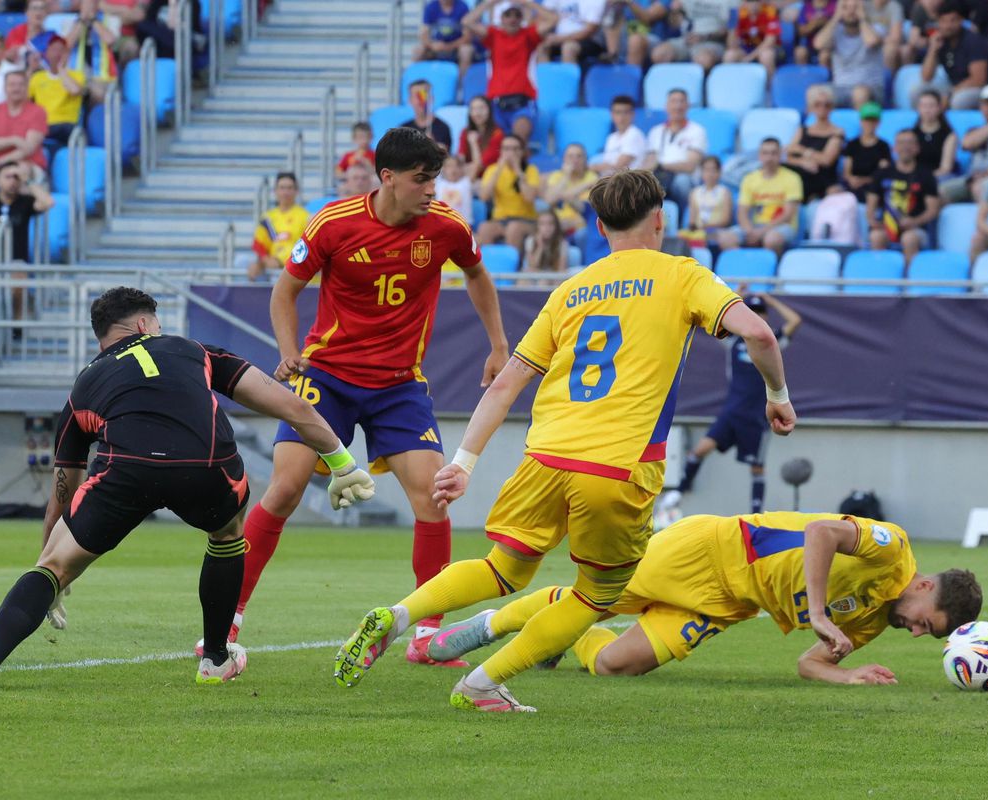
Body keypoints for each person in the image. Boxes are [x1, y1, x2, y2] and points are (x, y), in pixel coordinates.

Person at [333, 169, 795, 712]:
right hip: (618, 465)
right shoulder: (683, 274)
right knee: (595, 595)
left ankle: (400, 615)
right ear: (660, 219)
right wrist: (778, 395)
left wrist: (464, 461)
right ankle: (483, 684)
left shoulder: (572, 289)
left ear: (599, 227)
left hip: (545, 456)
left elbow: (506, 381)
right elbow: (760, 333)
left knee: (502, 568)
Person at [0, 287, 375, 689]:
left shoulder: (84, 384)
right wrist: (341, 461)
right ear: (145, 325)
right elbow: (288, 404)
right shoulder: (192, 349)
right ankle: (216, 659)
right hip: (205, 467)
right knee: (227, 534)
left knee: (54, 563)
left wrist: (52, 572)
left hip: (128, 471)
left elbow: (63, 491)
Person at [225, 128, 509, 666]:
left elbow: (478, 276)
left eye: (436, 179)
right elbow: (284, 289)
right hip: (327, 376)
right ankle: (229, 619)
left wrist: (498, 345)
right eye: (422, 180)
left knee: (432, 497)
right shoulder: (334, 222)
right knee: (285, 488)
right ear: (388, 178)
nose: (432, 190)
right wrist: (289, 352)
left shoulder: (446, 227)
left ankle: (427, 635)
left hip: (399, 384)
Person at [430, 512, 984, 684]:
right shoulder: (894, 551)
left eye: (923, 635)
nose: (913, 632)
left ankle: (567, 637)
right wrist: (815, 611)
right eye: (923, 623)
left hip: (727, 604)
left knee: (613, 666)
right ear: (924, 587)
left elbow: (809, 662)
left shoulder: (869, 624)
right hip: (711, 551)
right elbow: (821, 531)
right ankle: (491, 624)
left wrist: (849, 675)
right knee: (594, 596)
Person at [662, 292, 801, 515]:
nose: (757, 317)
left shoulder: (772, 341)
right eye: (752, 312)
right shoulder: (733, 341)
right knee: (700, 450)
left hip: (757, 414)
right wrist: (738, 295)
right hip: (732, 411)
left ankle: (755, 516)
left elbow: (795, 321)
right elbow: (714, 314)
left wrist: (773, 300)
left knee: (757, 468)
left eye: (760, 313)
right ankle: (677, 493)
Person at [461, 0, 558, 145]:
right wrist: (490, 3)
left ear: (521, 19)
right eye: (508, 15)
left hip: (523, 103)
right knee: (492, 145)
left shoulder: (528, 35)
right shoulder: (494, 35)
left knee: (517, 142)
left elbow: (553, 20)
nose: (512, 19)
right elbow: (466, 21)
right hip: (496, 104)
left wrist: (526, 3)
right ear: (501, 18)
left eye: (517, 15)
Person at [716, 137, 803, 258]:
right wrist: (749, 231)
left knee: (772, 239)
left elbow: (788, 215)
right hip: (754, 227)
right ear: (759, 156)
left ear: (780, 155)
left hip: (781, 227)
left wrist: (762, 232)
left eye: (773, 153)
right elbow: (742, 212)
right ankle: (743, 267)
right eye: (765, 153)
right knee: (725, 238)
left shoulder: (792, 178)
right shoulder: (749, 179)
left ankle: (771, 272)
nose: (769, 158)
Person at [867, 129, 941, 265]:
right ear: (894, 148)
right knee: (876, 236)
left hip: (915, 229)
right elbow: (871, 204)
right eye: (901, 143)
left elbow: (933, 210)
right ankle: (881, 278)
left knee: (909, 238)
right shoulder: (882, 173)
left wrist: (914, 221)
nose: (905, 147)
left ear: (917, 148)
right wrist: (873, 221)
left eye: (910, 143)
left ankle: (909, 281)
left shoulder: (926, 175)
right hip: (887, 226)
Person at [0, 71, 49, 189]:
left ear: (27, 88)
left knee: (19, 172)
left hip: (28, 164)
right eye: (12, 85)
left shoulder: (38, 111)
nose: (16, 89)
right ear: (5, 88)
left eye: (21, 85)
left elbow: (28, 148)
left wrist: (1, 161)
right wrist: (14, 140)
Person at [921, 0, 988, 110]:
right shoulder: (940, 40)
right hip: (956, 87)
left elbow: (978, 80)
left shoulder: (973, 40)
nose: (948, 26)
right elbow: (926, 77)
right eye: (943, 21)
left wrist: (949, 94)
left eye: (952, 20)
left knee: (959, 101)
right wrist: (933, 50)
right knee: (920, 92)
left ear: (961, 20)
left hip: (986, 89)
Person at [814, 0, 885, 108]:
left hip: (871, 89)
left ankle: (861, 125)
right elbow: (818, 44)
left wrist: (862, 18)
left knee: (859, 93)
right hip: (840, 88)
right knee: (814, 93)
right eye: (845, 7)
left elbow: (871, 41)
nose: (851, 12)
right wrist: (836, 17)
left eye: (855, 7)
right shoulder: (836, 32)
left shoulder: (877, 29)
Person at [643, 88, 706, 209]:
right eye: (674, 101)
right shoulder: (656, 131)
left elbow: (689, 166)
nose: (677, 106)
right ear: (666, 106)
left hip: (685, 178)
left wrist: (661, 165)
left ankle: (684, 219)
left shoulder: (697, 131)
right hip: (660, 176)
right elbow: (650, 162)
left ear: (688, 106)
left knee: (682, 181)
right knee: (644, 182)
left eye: (681, 101)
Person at [783, 84, 845, 202]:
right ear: (811, 107)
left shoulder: (837, 132)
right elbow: (789, 155)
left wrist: (802, 150)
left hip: (822, 177)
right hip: (801, 173)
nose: (822, 108)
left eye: (827, 105)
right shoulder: (802, 129)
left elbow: (827, 160)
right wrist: (803, 162)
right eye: (817, 104)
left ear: (831, 108)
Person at [477, 134, 539, 248]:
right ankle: (490, 264)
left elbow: (529, 197)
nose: (511, 153)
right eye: (506, 148)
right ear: (501, 151)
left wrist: (517, 170)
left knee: (514, 228)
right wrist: (499, 169)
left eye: (515, 149)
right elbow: (484, 197)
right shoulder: (492, 170)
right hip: (501, 220)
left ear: (522, 151)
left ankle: (513, 265)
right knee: (484, 228)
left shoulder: (531, 170)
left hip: (526, 220)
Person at [248, 171, 308, 282]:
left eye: (290, 188)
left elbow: (305, 248)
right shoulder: (267, 218)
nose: (286, 192)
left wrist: (278, 261)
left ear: (296, 191)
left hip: (291, 266)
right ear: (275, 191)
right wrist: (265, 261)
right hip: (268, 263)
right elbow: (259, 245)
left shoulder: (305, 217)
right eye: (282, 188)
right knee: (242, 262)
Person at [28, 33, 85, 148]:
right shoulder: (37, 77)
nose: (57, 54)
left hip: (67, 124)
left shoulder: (77, 75)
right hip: (43, 125)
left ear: (67, 55)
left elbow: (74, 90)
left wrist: (61, 70)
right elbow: (23, 100)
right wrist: (30, 69)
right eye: (53, 50)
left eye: (61, 50)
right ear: (46, 54)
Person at [650, 0, 738, 72]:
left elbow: (730, 31)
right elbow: (674, 24)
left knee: (704, 60)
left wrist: (703, 37)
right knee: (659, 54)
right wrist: (674, 13)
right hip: (686, 39)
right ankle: (673, 90)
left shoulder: (731, 2)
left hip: (712, 42)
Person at [541, 141, 597, 238]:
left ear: (585, 159)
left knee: (582, 234)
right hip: (557, 226)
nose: (575, 160)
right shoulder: (557, 176)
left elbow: (592, 212)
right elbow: (549, 200)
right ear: (564, 159)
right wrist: (566, 176)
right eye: (570, 156)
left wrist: (562, 195)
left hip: (581, 226)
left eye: (579, 156)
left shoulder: (592, 177)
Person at [414, 0, 475, 82]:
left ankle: (461, 83)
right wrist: (432, 45)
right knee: (418, 51)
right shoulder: (431, 7)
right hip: (436, 47)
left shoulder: (462, 7)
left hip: (455, 47)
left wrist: (450, 46)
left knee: (466, 51)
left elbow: (467, 36)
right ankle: (417, 82)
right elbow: (423, 34)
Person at [842, 101, 891, 201]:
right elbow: (846, 171)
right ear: (861, 121)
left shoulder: (883, 146)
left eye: (873, 120)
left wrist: (864, 180)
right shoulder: (852, 144)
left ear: (878, 123)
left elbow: (882, 173)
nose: (869, 124)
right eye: (867, 120)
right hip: (853, 186)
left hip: (874, 188)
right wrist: (851, 179)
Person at [724, 0, 784, 79]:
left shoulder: (770, 12)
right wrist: (732, 27)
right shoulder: (739, 14)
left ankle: (770, 87)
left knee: (766, 56)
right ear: (744, 3)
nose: (753, 4)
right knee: (730, 55)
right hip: (747, 48)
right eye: (749, 1)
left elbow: (769, 42)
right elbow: (731, 45)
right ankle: (732, 85)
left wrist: (749, 57)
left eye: (756, 1)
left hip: (771, 49)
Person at [591, 94, 647, 176]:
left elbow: (617, 167)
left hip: (627, 182)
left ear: (632, 114)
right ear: (612, 115)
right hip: (609, 180)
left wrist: (594, 167)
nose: (622, 117)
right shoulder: (611, 138)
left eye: (626, 112)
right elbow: (607, 166)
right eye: (618, 112)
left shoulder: (634, 135)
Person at [682, 155, 733, 244]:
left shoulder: (725, 192)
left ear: (719, 172)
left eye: (713, 170)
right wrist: (695, 228)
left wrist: (705, 226)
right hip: (699, 231)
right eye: (706, 170)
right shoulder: (694, 192)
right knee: (680, 236)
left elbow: (725, 220)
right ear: (701, 172)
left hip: (717, 231)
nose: (710, 174)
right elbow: (692, 219)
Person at [911, 89, 957, 181]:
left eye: (931, 106)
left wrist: (925, 179)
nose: (927, 110)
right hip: (915, 178)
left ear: (939, 108)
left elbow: (945, 168)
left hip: (939, 177)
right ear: (918, 108)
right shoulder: (912, 134)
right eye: (924, 106)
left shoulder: (949, 135)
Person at [541, 0, 606, 64]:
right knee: (542, 46)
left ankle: (567, 74)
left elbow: (589, 31)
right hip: (560, 38)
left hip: (590, 41)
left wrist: (559, 39)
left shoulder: (595, 2)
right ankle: (543, 74)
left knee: (568, 47)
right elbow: (542, 19)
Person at [459, 95, 503, 180]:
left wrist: (473, 143)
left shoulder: (497, 134)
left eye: (481, 108)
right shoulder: (465, 132)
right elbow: (460, 160)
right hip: (469, 175)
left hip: (489, 178)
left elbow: (479, 166)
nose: (477, 113)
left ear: (490, 111)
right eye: (473, 109)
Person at [400, 79, 452, 151]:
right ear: (410, 100)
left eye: (423, 94)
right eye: (416, 95)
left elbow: (444, 155)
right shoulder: (403, 129)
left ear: (431, 99)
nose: (420, 99)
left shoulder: (442, 127)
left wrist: (433, 144)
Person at [4, 0, 50, 67]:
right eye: (34, 8)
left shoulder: (51, 37)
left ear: (46, 13)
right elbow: (8, 56)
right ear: (26, 12)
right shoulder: (16, 32)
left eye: (42, 9)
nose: (38, 12)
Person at [523, 209, 568, 276]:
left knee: (544, 281)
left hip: (553, 278)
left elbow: (561, 270)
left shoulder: (562, 243)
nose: (547, 228)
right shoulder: (530, 241)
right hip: (535, 277)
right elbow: (532, 266)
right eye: (542, 224)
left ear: (556, 226)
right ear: (537, 226)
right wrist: (540, 246)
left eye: (550, 224)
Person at [861, 0, 903, 71]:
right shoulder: (864, 5)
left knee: (889, 49)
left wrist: (877, 40)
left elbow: (895, 37)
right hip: (866, 42)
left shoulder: (894, 6)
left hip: (884, 44)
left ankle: (886, 80)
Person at [792, 0, 836, 66]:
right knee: (800, 52)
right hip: (809, 45)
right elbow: (801, 31)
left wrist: (825, 22)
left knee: (824, 56)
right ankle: (803, 75)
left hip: (828, 45)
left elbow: (837, 26)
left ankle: (826, 76)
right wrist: (814, 24)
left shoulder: (834, 5)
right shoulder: (806, 7)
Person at [434, 152, 473, 225]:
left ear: (461, 168)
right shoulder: (438, 183)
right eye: (449, 166)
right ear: (443, 168)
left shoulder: (466, 183)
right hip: (442, 225)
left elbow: (476, 164)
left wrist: (473, 142)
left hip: (463, 226)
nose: (453, 169)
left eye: (456, 166)